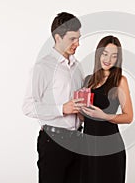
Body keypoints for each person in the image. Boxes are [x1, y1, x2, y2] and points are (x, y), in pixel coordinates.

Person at [22, 12, 84, 183]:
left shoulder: (78, 67)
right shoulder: (43, 67)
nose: (77, 44)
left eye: (79, 38)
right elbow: (28, 106)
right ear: (58, 37)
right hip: (54, 143)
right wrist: (62, 108)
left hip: (78, 141)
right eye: (73, 39)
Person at [80, 35, 133, 183]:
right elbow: (84, 118)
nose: (108, 59)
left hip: (110, 146)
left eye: (114, 56)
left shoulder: (120, 81)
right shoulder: (88, 80)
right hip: (88, 146)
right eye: (105, 54)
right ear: (98, 54)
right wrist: (79, 109)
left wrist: (104, 116)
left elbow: (128, 116)